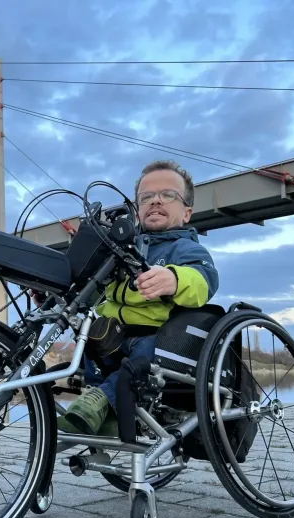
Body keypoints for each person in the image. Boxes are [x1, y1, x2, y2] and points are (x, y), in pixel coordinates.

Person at [56, 159, 220, 436]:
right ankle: (107, 414)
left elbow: (205, 280)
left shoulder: (185, 248)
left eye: (168, 195)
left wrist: (176, 279)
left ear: (187, 213)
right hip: (114, 334)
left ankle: (100, 403)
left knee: (141, 360)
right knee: (89, 344)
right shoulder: (121, 249)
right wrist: (61, 295)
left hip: (160, 336)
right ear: (138, 208)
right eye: (146, 197)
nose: (156, 201)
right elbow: (93, 290)